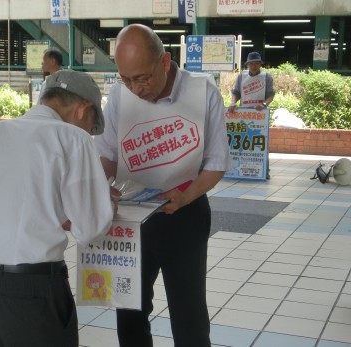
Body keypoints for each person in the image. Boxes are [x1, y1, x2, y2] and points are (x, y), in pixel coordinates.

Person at [93, 24, 231, 346]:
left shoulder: (202, 92)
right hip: (129, 214)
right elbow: (107, 153)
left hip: (184, 212)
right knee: (129, 309)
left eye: (142, 78)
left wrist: (187, 196)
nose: (135, 89)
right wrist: (101, 187)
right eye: (125, 79)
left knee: (188, 312)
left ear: (165, 62)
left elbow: (216, 162)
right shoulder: (119, 94)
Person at [0, 70, 114, 346]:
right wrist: (106, 200)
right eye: (91, 125)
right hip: (29, 288)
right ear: (82, 109)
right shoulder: (72, 138)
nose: (89, 132)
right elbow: (91, 230)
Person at [229, 51, 275, 179]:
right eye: (251, 64)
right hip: (244, 114)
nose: (254, 66)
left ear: (260, 64)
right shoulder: (241, 76)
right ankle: (241, 169)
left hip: (260, 115)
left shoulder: (266, 77)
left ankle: (264, 171)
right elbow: (236, 92)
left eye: (256, 63)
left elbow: (270, 94)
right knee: (243, 141)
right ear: (247, 64)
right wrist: (233, 103)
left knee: (261, 142)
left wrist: (264, 105)